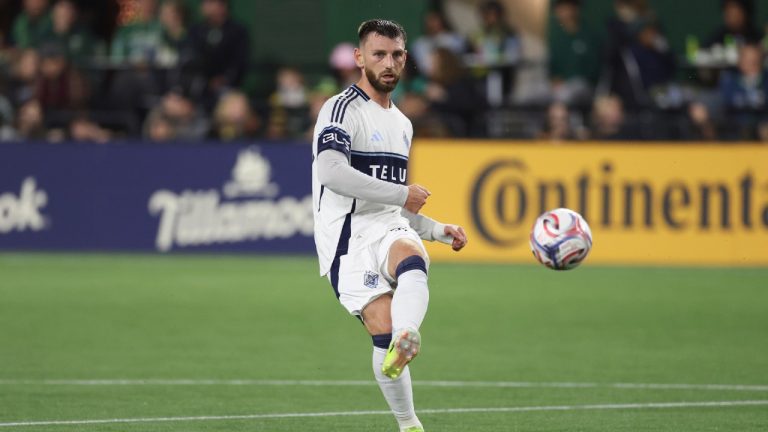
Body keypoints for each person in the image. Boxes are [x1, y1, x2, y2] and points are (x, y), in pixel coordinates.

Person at [311, 19, 468, 432]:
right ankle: (409, 422)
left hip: (388, 225)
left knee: (413, 257)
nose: (389, 63)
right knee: (381, 326)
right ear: (360, 58)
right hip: (346, 238)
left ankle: (408, 335)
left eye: (397, 54)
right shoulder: (340, 108)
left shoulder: (402, 123)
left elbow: (391, 198)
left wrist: (435, 228)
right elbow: (330, 171)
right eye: (378, 54)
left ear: (405, 59)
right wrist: (401, 195)